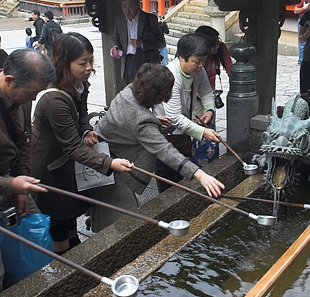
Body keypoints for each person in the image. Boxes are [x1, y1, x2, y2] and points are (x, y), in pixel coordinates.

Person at [30, 33, 132, 250]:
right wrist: (109, 163)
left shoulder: (79, 85)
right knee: (59, 215)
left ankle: (75, 246)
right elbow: (72, 147)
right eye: (82, 63)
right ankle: (64, 262)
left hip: (67, 162)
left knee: (71, 211)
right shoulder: (54, 100)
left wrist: (86, 130)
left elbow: (82, 115)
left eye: (91, 61)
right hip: (51, 166)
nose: (88, 67)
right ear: (64, 63)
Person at [94, 63, 225, 231]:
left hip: (100, 151)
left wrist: (154, 120)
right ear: (156, 97)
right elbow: (165, 150)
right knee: (124, 222)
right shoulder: (142, 120)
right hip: (108, 167)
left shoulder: (131, 89)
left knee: (105, 207)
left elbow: (133, 119)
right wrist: (200, 175)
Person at [0, 48, 54, 297]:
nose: (34, 98)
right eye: (31, 93)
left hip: (14, 183)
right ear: (9, 80)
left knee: (39, 243)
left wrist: (20, 187)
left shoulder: (23, 97)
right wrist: (11, 184)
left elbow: (24, 142)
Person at [151, 33, 221, 192]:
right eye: (197, 61)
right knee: (167, 180)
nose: (201, 65)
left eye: (204, 61)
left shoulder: (198, 71)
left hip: (182, 135)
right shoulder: (170, 77)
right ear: (182, 57)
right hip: (164, 134)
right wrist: (203, 132)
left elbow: (207, 93)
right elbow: (174, 118)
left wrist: (209, 110)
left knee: (182, 177)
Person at [192, 25, 234, 166]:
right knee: (199, 131)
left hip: (209, 95)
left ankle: (213, 162)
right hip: (194, 98)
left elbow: (230, 68)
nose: (217, 46)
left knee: (211, 129)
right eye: (214, 44)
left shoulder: (220, 49)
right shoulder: (194, 55)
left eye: (218, 41)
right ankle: (198, 166)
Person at [110, 0, 164, 89]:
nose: (127, 11)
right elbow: (116, 38)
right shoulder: (119, 21)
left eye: (130, 7)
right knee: (129, 89)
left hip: (145, 60)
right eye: (124, 7)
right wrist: (116, 47)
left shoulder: (149, 19)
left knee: (146, 89)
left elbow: (160, 42)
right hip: (127, 60)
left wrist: (142, 44)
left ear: (137, 5)